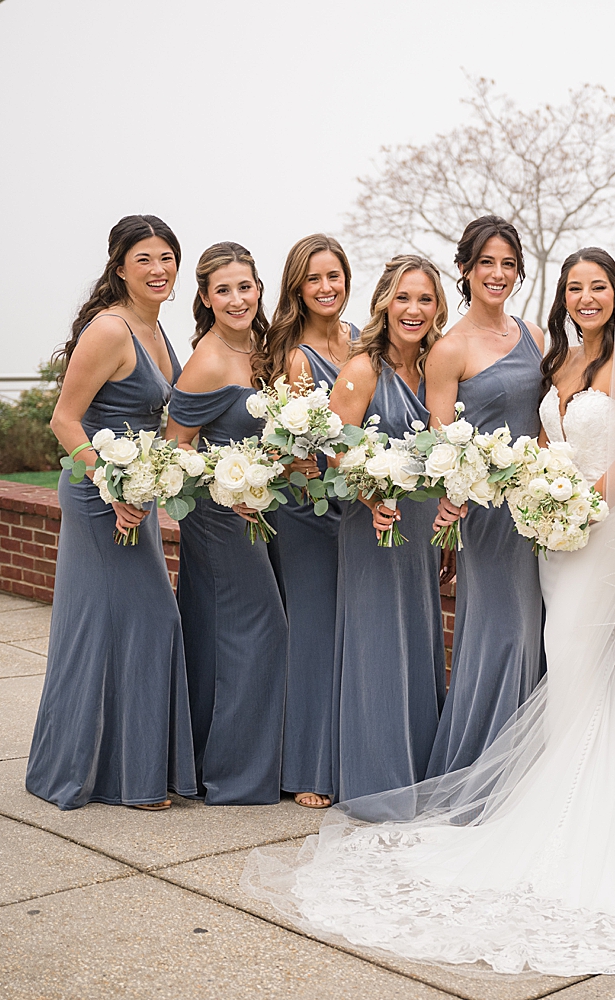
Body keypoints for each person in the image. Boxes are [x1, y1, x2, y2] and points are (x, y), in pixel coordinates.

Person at [243, 248, 615, 976]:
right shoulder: (558, 360)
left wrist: (578, 502)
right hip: (551, 536)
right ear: (562, 297)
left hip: (605, 533)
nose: (587, 297)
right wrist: (541, 493)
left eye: (598, 287)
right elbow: (538, 442)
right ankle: (560, 801)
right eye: (576, 288)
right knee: (561, 662)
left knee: (572, 656)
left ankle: (590, 820)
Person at [26, 214, 196, 811]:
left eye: (167, 257)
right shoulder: (110, 329)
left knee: (124, 626)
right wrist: (110, 482)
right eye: (144, 258)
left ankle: (117, 771)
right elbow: (63, 421)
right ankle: (109, 775)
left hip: (136, 492)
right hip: (99, 495)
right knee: (141, 622)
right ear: (119, 266)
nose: (158, 269)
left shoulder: (158, 330)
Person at [166, 242, 287, 806]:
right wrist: (227, 486)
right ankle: (235, 774)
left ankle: (212, 763)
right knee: (262, 628)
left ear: (259, 288)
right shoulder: (209, 360)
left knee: (225, 639)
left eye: (245, 287)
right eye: (223, 290)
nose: (237, 299)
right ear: (206, 299)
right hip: (220, 519)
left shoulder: (266, 348)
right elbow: (174, 456)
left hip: (260, 511)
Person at [425, 216, 546, 778]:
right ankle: (480, 770)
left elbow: (546, 425)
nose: (497, 274)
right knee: (500, 633)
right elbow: (442, 444)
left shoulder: (532, 336)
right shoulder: (449, 351)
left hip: (539, 514)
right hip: (486, 518)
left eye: (507, 264)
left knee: (535, 632)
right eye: (486, 264)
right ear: (465, 271)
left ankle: (525, 770)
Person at [327, 254, 448, 801]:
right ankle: (377, 780)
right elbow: (334, 452)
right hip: (373, 523)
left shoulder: (438, 367)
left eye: (424, 299)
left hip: (422, 526)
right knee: (380, 641)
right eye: (403, 297)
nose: (414, 309)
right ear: (383, 302)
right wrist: (372, 493)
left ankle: (419, 770)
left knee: (420, 637)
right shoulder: (362, 369)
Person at [254, 234, 358, 810]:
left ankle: (347, 752)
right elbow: (295, 447)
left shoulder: (359, 339)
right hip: (307, 509)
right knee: (315, 633)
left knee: (349, 631)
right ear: (298, 286)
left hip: (357, 504)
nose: (327, 288)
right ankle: (309, 769)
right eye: (315, 278)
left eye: (335, 276)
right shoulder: (293, 356)